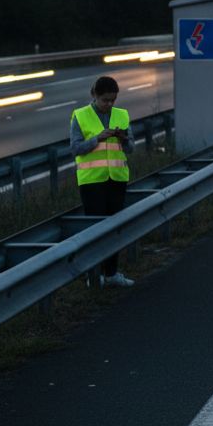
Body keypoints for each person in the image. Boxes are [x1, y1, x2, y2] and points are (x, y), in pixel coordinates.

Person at [70, 76, 135, 288]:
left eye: (113, 100)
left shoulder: (122, 115)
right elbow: (76, 148)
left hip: (116, 178)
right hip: (91, 181)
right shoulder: (80, 116)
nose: (109, 104)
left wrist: (124, 139)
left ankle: (111, 273)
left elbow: (131, 148)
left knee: (114, 228)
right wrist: (97, 138)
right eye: (105, 100)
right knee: (95, 230)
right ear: (94, 96)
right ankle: (94, 275)